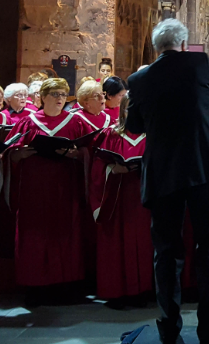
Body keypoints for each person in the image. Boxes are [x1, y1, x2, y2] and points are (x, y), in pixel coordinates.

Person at [125, 18, 209, 344]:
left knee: (166, 250)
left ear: (156, 46)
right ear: (184, 43)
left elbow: (133, 126)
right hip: (203, 166)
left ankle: (169, 329)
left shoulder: (140, 78)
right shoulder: (200, 63)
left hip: (162, 171)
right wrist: (205, 109)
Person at [5, 78, 96, 305]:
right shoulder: (28, 122)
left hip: (66, 187)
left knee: (66, 232)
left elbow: (90, 151)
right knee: (35, 235)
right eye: (54, 94)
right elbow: (8, 154)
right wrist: (19, 154)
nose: (59, 99)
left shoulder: (76, 122)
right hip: (34, 190)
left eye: (63, 95)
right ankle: (35, 286)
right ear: (42, 97)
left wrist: (78, 155)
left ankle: (66, 284)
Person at [90, 94, 152, 308]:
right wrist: (112, 169)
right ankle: (118, 291)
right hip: (117, 199)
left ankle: (145, 289)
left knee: (146, 243)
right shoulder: (111, 134)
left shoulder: (153, 134)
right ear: (123, 111)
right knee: (118, 244)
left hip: (145, 199)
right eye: (129, 109)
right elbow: (98, 166)